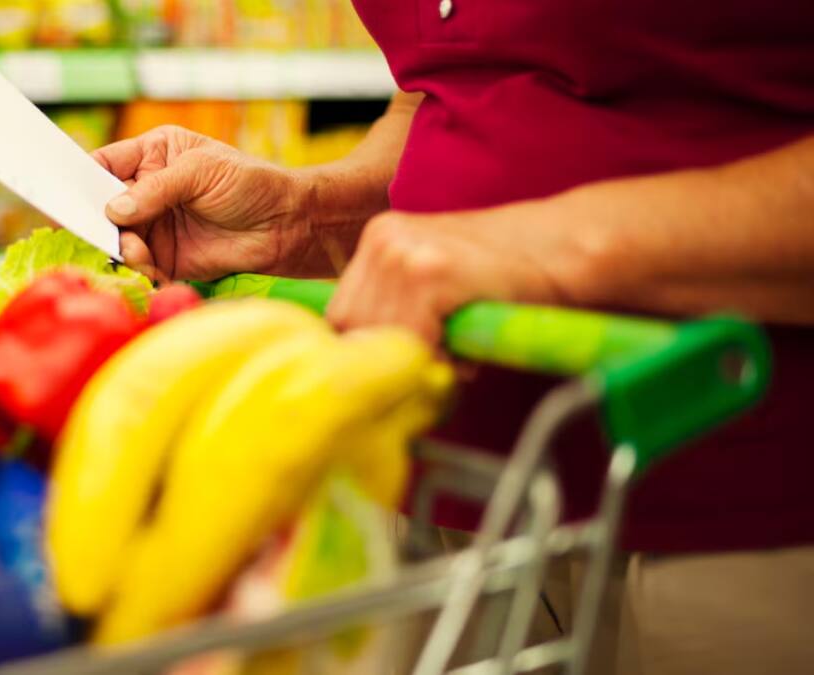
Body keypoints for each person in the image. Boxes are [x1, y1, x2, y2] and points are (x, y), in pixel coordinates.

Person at [92, 2, 814, 674]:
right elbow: (451, 84)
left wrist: (545, 249)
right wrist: (314, 213)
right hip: (457, 493)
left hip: (737, 512)